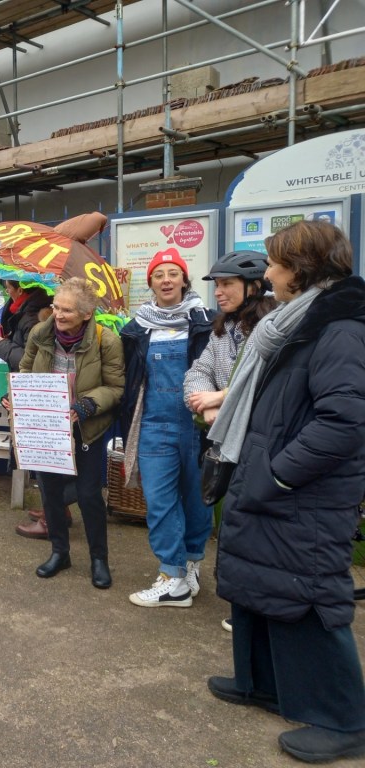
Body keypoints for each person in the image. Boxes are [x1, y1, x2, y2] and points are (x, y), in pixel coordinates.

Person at [206, 221, 365, 763]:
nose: (267, 273)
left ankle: (346, 720)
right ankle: (264, 684)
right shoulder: (297, 322)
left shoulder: (339, 330)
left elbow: (344, 423)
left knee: (309, 594)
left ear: (300, 270)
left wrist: (277, 474)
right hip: (273, 482)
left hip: (303, 494)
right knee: (261, 584)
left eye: (274, 264)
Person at [182, 250, 276, 631]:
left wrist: (221, 399)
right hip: (226, 443)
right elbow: (197, 372)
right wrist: (205, 406)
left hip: (261, 444)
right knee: (233, 525)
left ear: (253, 286)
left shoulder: (271, 326)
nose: (218, 292)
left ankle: (258, 608)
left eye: (227, 284)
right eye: (217, 285)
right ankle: (244, 605)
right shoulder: (223, 329)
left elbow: (264, 381)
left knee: (257, 527)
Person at [119, 248, 215, 608]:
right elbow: (128, 380)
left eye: (173, 273)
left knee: (198, 500)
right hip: (154, 425)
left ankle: (191, 564)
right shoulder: (136, 329)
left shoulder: (208, 322)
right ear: (151, 283)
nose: (166, 280)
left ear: (184, 280)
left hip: (198, 427)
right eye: (159, 275)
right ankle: (171, 575)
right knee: (159, 501)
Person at [16, 277, 124, 588]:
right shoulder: (40, 333)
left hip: (86, 427)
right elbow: (25, 371)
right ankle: (59, 553)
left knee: (89, 495)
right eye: (56, 307)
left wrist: (88, 404)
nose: (58, 315)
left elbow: (116, 387)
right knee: (49, 492)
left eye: (67, 310)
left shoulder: (106, 341)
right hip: (48, 428)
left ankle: (99, 559)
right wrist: (16, 397)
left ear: (86, 314)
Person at [0, 280, 73, 539]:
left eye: (8, 287)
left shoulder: (33, 317)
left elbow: (32, 361)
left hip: (43, 397)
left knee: (47, 457)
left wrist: (2, 346)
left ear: (21, 289)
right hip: (37, 393)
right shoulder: (25, 310)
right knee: (46, 457)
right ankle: (57, 511)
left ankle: (52, 518)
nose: (7, 291)